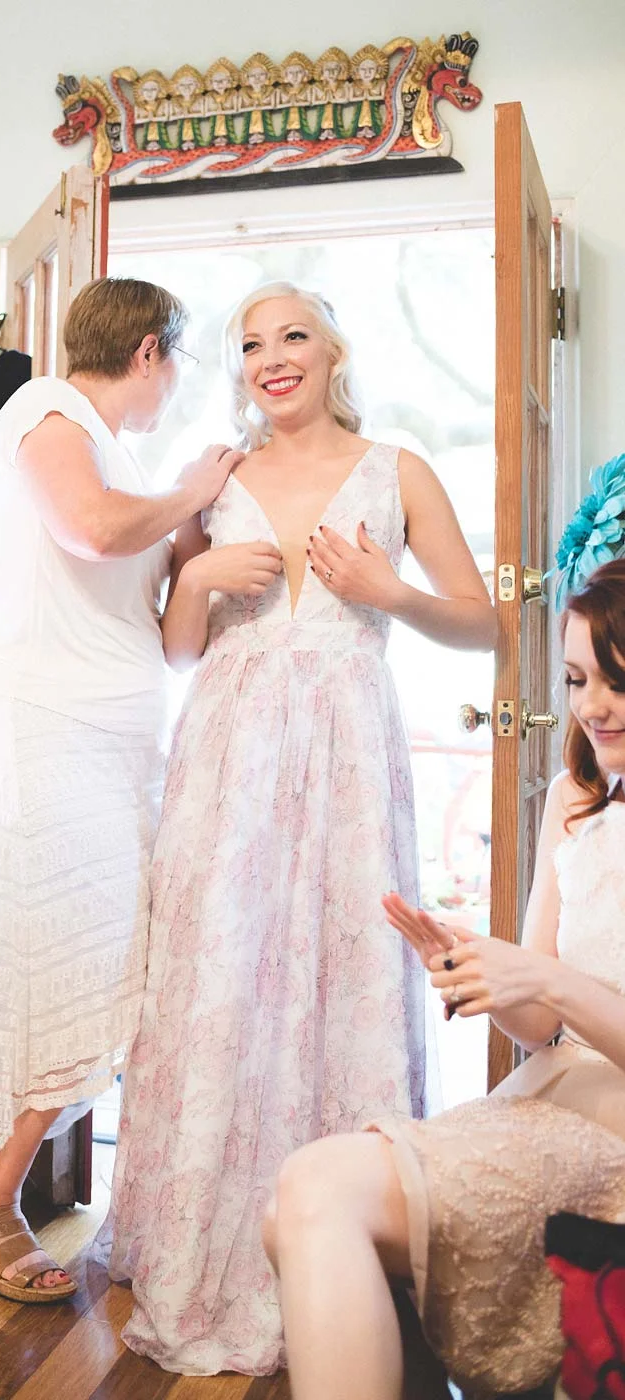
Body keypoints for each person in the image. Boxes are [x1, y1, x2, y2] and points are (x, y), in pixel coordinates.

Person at [106, 281, 496, 1373]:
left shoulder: (397, 470)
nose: (271, 357)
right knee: (219, 977)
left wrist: (387, 589)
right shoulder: (217, 475)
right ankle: (200, 1236)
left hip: (345, 754)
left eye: (293, 337)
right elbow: (178, 649)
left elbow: (485, 625)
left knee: (340, 969)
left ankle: (346, 1247)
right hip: (226, 756)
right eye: (251, 344)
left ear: (332, 352)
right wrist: (198, 574)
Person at [0, 277, 242, 1302]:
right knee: (51, 963)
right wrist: (190, 494)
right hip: (42, 732)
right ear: (150, 349)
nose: (173, 382)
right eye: (175, 361)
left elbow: (167, 632)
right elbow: (91, 530)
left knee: (105, 969)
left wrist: (199, 549)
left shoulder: (130, 464)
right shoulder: (46, 407)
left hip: (115, 750)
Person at [264, 556, 625, 1400]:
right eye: (578, 680)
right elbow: (536, 1027)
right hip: (543, 1098)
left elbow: (558, 993)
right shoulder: (574, 801)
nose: (593, 707)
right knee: (296, 1213)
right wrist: (479, 975)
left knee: (309, 1195)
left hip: (610, 1127)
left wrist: (547, 981)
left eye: (618, 681)